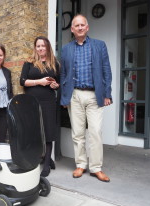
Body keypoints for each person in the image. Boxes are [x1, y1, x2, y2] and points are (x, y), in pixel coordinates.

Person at [60, 14, 112, 182]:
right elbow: (63, 74)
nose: (80, 27)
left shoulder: (99, 45)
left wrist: (107, 94)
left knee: (95, 132)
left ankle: (96, 167)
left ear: (87, 27)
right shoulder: (66, 49)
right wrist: (64, 98)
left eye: (83, 25)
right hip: (74, 95)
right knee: (77, 133)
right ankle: (80, 164)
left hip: (94, 95)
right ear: (72, 29)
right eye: (77, 25)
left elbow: (107, 71)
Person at [20, 36, 60, 177]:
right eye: (38, 46)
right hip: (32, 102)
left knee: (49, 131)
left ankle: (47, 164)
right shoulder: (29, 63)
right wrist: (39, 82)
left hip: (49, 102)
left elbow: (58, 83)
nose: (41, 48)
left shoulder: (54, 63)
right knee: (34, 132)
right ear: (35, 48)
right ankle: (38, 158)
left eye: (43, 45)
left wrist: (55, 86)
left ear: (48, 47)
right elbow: (22, 81)